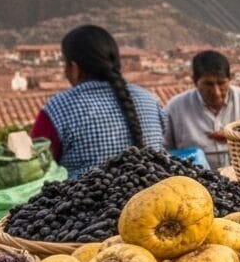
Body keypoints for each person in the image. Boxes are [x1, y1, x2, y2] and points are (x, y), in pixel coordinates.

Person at [31, 24, 167, 179]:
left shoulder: (58, 108)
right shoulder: (149, 100)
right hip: (152, 197)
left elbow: (34, 168)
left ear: (74, 67)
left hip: (84, 201)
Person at [165, 51, 240, 170]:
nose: (216, 92)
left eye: (221, 83)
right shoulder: (175, 108)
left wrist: (236, 137)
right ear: (195, 82)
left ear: (230, 79)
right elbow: (164, 151)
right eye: (208, 84)